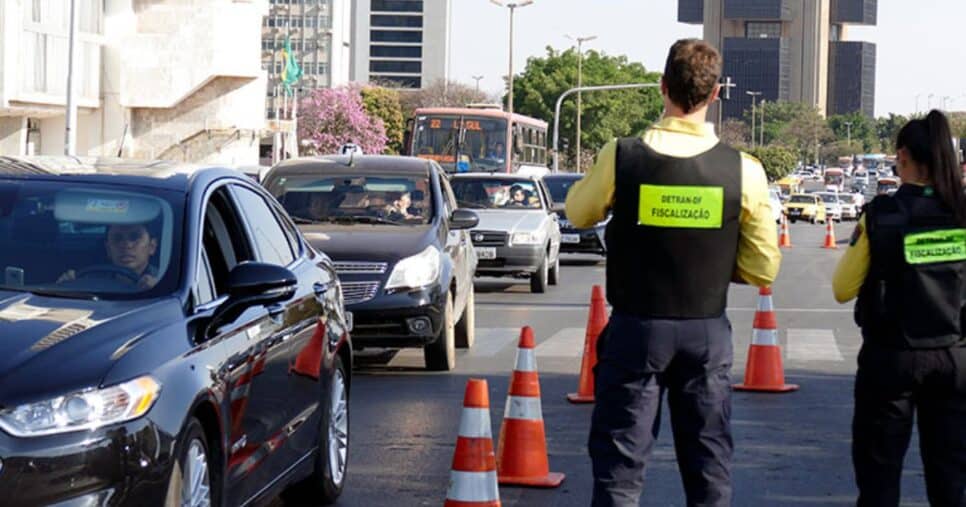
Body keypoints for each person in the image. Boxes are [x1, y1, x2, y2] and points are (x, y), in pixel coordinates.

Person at [566, 39, 781, 506]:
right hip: (706, 333)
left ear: (662, 87)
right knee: (708, 468)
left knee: (620, 469)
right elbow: (764, 265)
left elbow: (579, 213)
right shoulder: (743, 170)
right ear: (717, 93)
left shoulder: (622, 155)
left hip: (636, 330)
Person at [833, 110, 966, 506]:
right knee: (950, 477)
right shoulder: (961, 215)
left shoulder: (880, 216)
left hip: (890, 360)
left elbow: (843, 289)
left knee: (879, 476)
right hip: (954, 360)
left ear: (904, 157)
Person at [58, 223, 160, 290]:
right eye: (117, 238)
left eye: (134, 237)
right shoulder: (89, 281)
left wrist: (158, 290)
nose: (126, 245)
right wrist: (66, 286)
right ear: (108, 249)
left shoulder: (165, 281)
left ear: (152, 246)